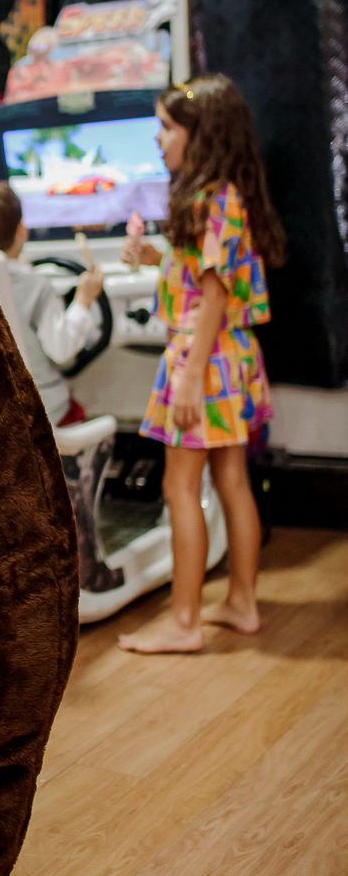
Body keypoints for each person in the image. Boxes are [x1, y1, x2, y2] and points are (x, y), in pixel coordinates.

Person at [118, 74, 285, 654]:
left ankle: (184, 622)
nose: (158, 138)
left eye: (167, 127)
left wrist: (190, 377)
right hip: (230, 357)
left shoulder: (212, 199)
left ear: (201, 133)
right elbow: (205, 277)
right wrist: (153, 256)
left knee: (179, 486)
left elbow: (214, 296)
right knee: (231, 479)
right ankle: (241, 602)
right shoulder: (225, 196)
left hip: (203, 359)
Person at [0, 180, 105, 425]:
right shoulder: (36, 286)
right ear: (22, 230)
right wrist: (83, 300)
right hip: (42, 410)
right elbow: (61, 350)